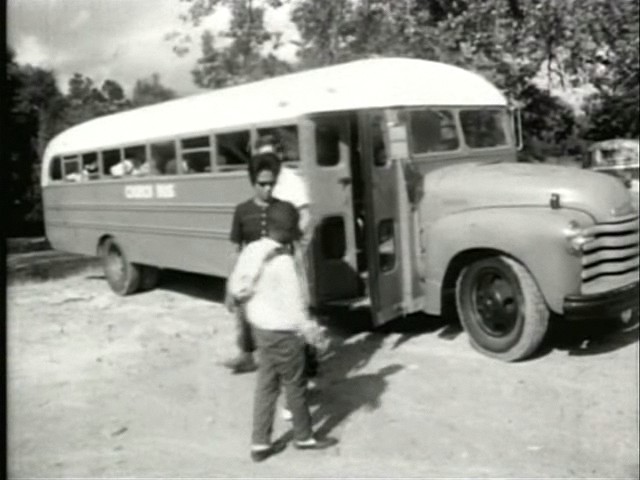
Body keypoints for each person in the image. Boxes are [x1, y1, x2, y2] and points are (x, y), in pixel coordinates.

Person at [227, 201, 336, 462]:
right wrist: (314, 335)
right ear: (287, 230)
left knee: (266, 386)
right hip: (284, 334)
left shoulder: (252, 249)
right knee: (295, 385)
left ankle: (260, 443)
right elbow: (296, 308)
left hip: (260, 330)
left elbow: (236, 284)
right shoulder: (284, 262)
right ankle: (304, 437)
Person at [223, 154, 283, 374]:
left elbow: (292, 248)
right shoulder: (242, 211)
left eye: (271, 183)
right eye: (262, 184)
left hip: (276, 275)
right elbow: (236, 250)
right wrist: (231, 287)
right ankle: (246, 355)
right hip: (250, 275)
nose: (268, 188)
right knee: (244, 316)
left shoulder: (284, 210)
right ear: (252, 183)